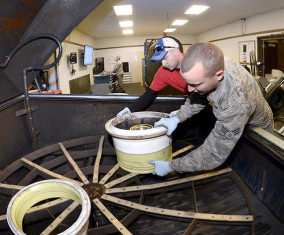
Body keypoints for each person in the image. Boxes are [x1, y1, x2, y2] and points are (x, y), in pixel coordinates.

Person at [148, 42, 274, 176]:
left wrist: (171, 165)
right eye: (188, 83)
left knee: (254, 166)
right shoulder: (211, 63)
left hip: (258, 127)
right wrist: (178, 117)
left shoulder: (235, 102)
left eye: (195, 84)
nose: (189, 89)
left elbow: (213, 154)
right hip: (237, 114)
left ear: (219, 75)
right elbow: (200, 95)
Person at [117, 37, 188, 115]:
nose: (163, 64)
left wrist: (185, 112)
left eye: (165, 58)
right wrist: (130, 110)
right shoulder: (163, 72)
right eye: (161, 60)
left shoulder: (196, 63)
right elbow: (149, 95)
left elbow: (202, 93)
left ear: (176, 51)